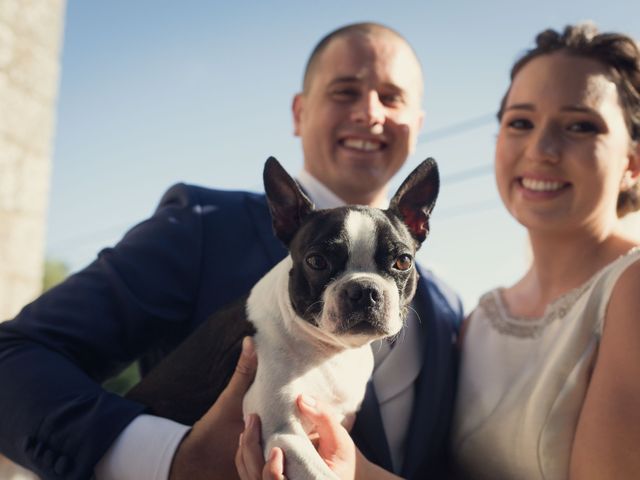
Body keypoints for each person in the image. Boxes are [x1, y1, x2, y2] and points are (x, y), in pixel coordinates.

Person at [0, 22, 463, 480]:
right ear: (300, 112)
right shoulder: (201, 224)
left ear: (417, 123)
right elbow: (13, 358)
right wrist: (170, 459)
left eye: (391, 96)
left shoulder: (446, 305)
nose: (369, 112)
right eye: (345, 91)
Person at [237, 22, 640, 480]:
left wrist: (359, 475)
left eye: (580, 126)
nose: (542, 148)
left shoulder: (631, 289)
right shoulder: (476, 320)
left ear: (633, 162)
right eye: (521, 122)